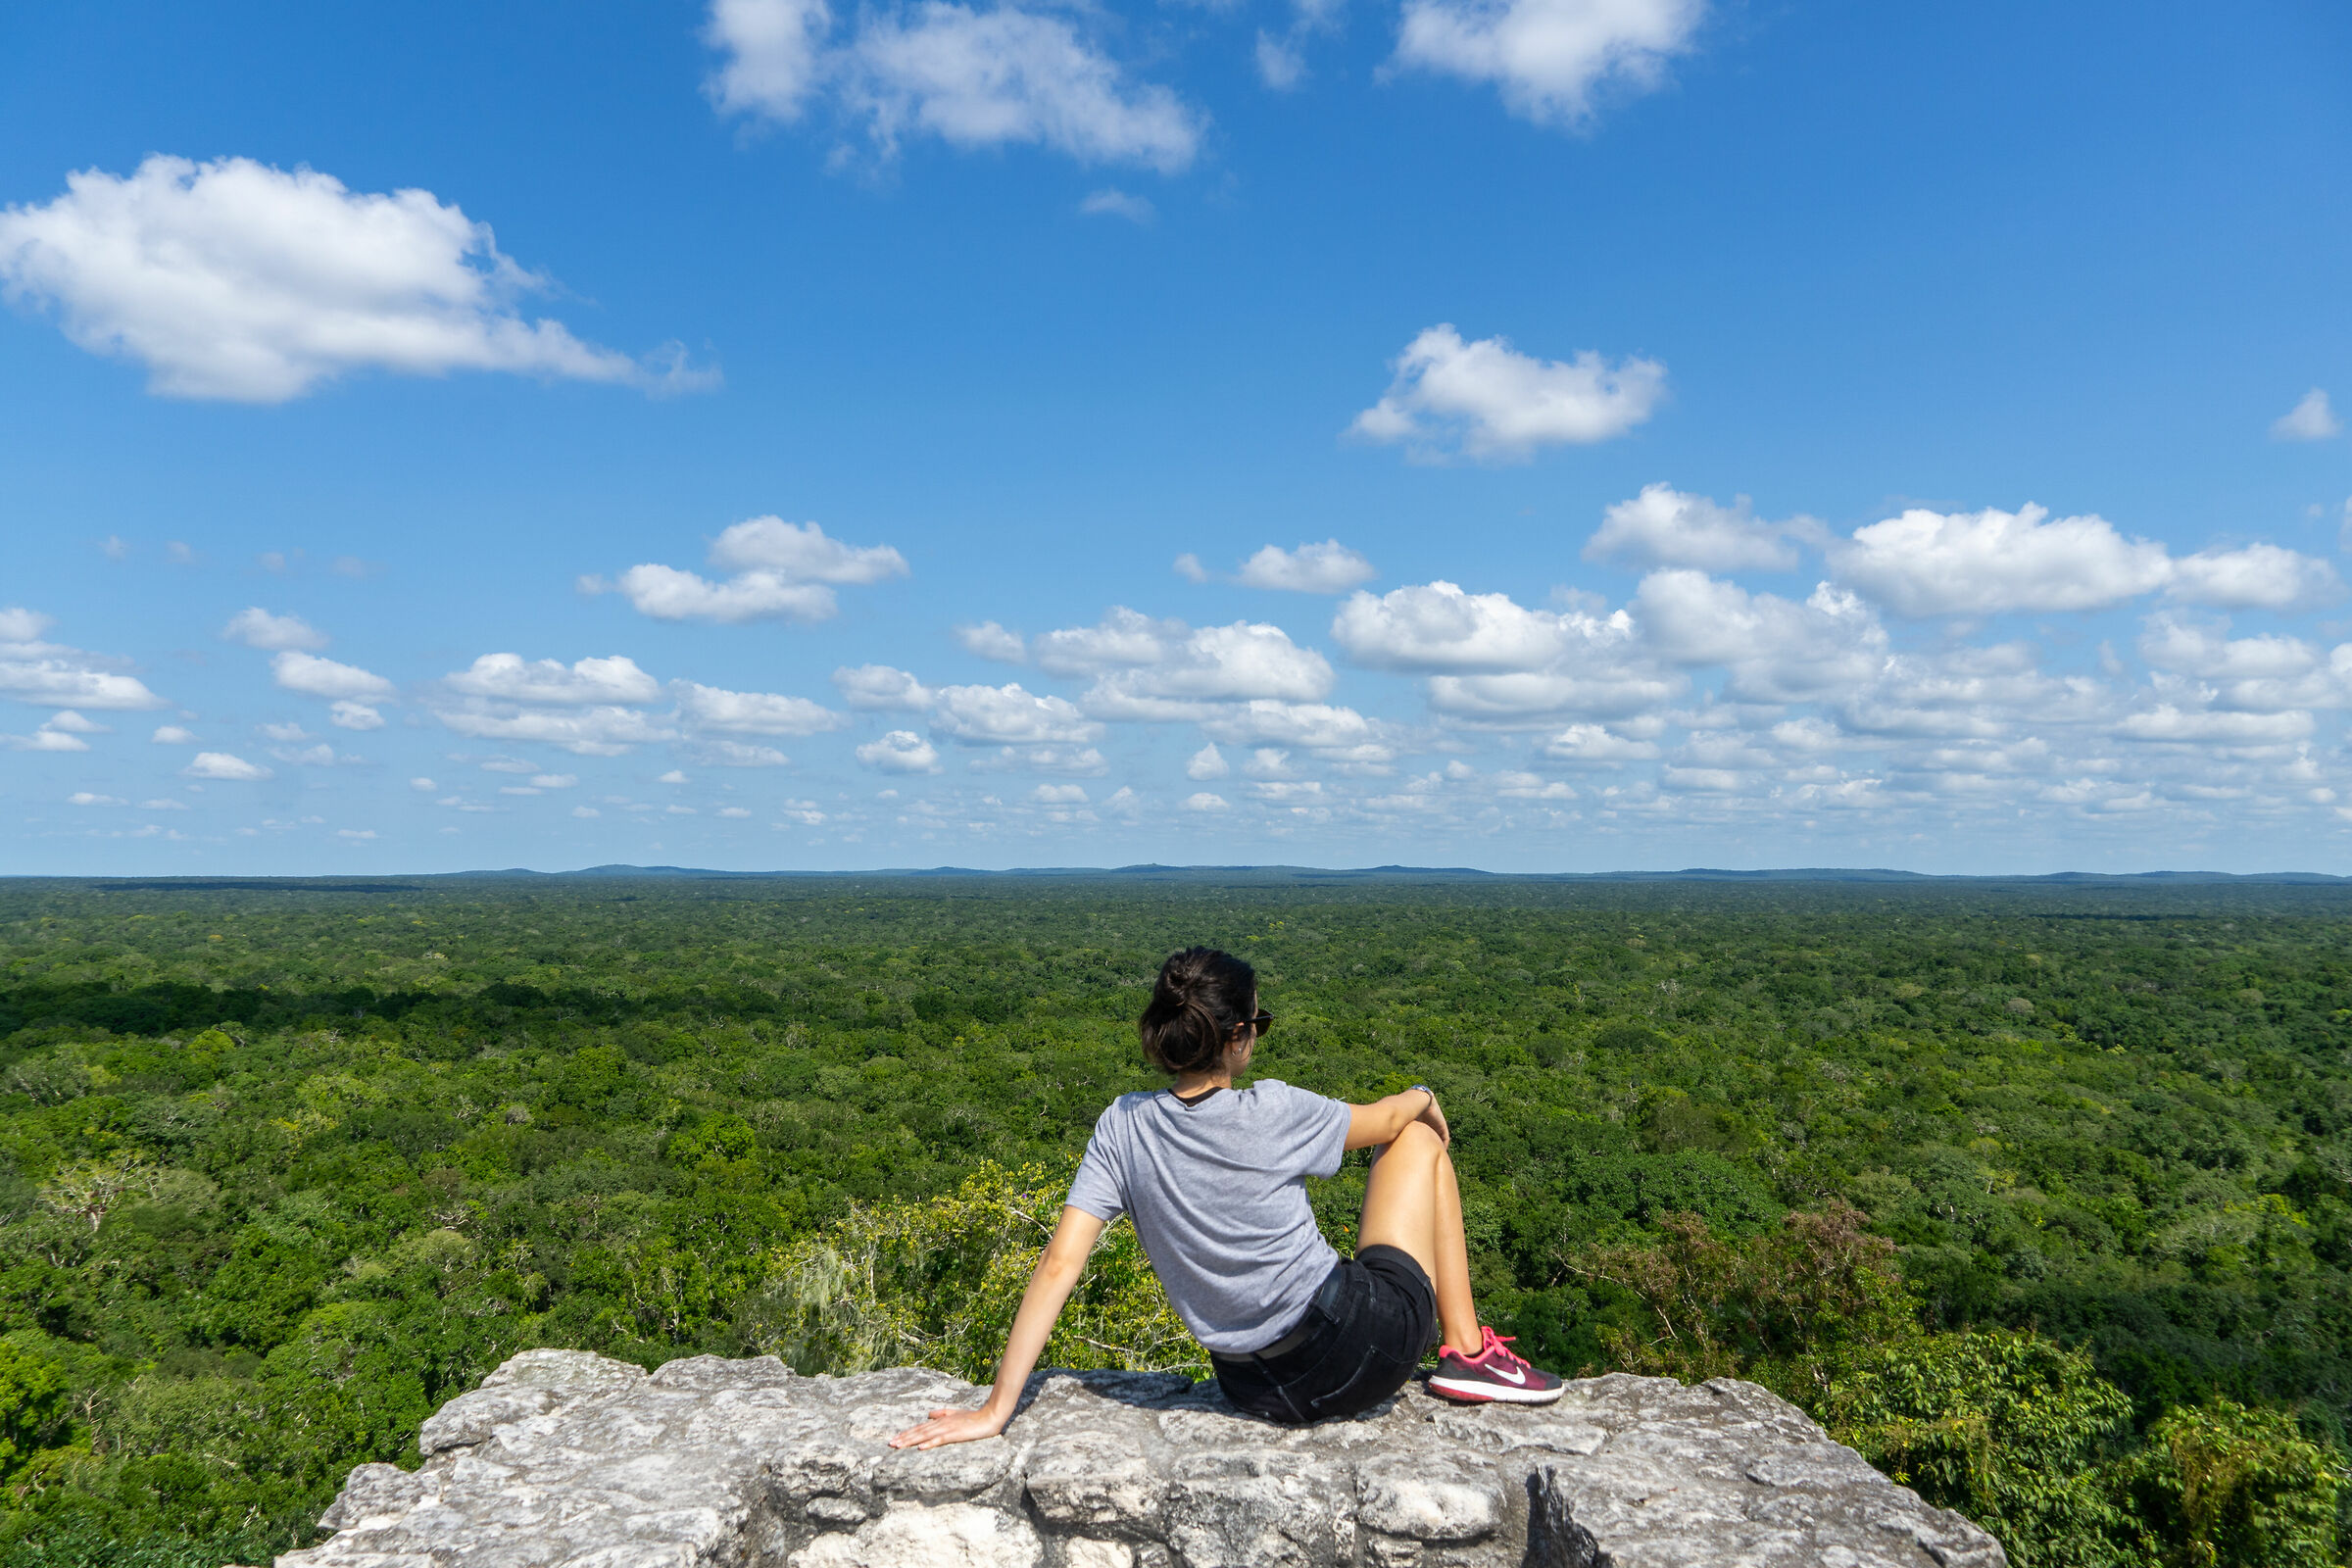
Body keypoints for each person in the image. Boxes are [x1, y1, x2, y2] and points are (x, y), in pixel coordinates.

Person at [891, 945, 1562, 1450]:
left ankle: (1468, 1353)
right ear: (1238, 1036)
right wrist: (1428, 1097)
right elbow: (1390, 1122)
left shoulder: (1121, 1125)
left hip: (1254, 1389)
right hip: (1361, 1353)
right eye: (1257, 1024)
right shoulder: (1273, 1108)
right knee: (1417, 1142)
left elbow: (1059, 1267)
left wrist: (996, 1410)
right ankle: (1469, 1354)